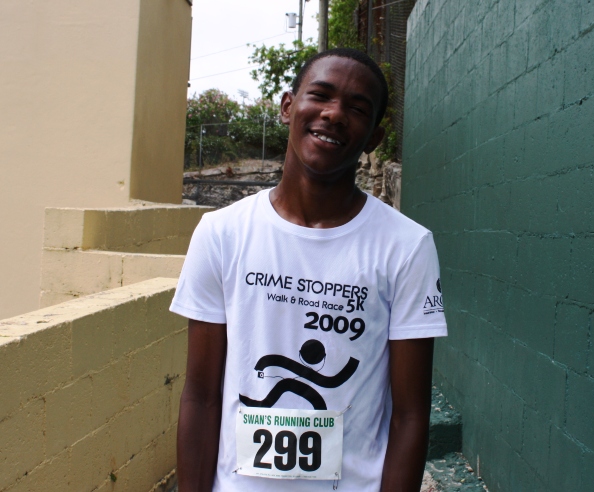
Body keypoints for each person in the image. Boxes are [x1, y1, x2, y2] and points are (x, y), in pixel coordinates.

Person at [170, 48, 447, 492]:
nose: (334, 114)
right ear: (287, 107)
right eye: (320, 95)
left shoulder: (407, 247)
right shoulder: (221, 233)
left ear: (374, 138)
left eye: (357, 108)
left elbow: (410, 415)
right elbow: (201, 395)